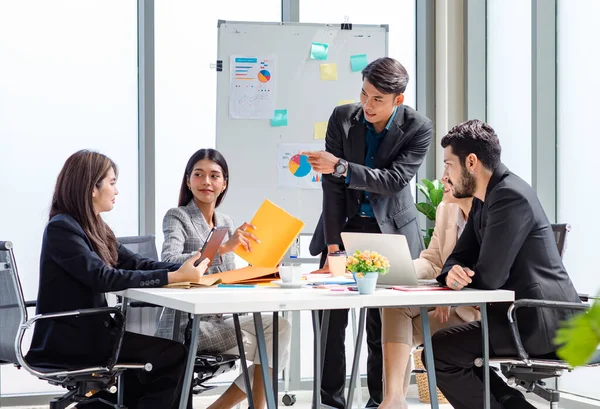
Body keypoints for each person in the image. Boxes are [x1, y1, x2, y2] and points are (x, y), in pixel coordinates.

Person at [26, 150, 209, 409]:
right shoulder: (62, 228)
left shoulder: (95, 227)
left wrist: (183, 267)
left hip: (92, 333)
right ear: (92, 188)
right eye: (112, 183)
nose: (116, 190)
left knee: (157, 363)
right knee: (175, 355)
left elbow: (137, 263)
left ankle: (96, 406)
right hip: (72, 339)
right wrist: (173, 277)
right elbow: (103, 278)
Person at [303, 57, 433, 409]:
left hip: (389, 233)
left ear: (398, 100)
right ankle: (331, 403)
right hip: (343, 228)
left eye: (378, 99)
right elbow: (331, 188)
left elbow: (393, 182)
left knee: (383, 324)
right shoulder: (342, 118)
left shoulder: (418, 128)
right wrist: (332, 246)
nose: (367, 105)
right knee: (329, 324)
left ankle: (381, 403)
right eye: (364, 94)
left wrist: (342, 166)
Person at [431, 119, 581, 409]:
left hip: (543, 322)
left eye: (449, 164)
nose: (445, 175)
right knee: (443, 349)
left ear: (471, 162)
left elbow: (490, 278)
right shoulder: (484, 199)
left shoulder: (510, 195)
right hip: (518, 318)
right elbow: (458, 257)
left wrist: (461, 276)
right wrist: (452, 273)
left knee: (440, 352)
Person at [157, 148, 291, 409]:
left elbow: (228, 278)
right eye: (199, 175)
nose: (206, 182)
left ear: (224, 183)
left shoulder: (226, 221)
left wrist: (264, 266)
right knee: (273, 350)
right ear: (188, 181)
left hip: (221, 317)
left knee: (281, 329)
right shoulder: (178, 216)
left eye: (214, 176)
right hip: (189, 324)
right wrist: (221, 248)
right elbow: (168, 260)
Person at [379, 175, 480, 409]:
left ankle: (394, 401)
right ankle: (394, 399)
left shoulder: (490, 212)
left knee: (401, 321)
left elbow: (485, 273)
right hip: (447, 307)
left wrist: (448, 292)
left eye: (449, 166)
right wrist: (399, 269)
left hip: (475, 312)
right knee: (396, 305)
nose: (443, 177)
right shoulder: (446, 209)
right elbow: (434, 260)